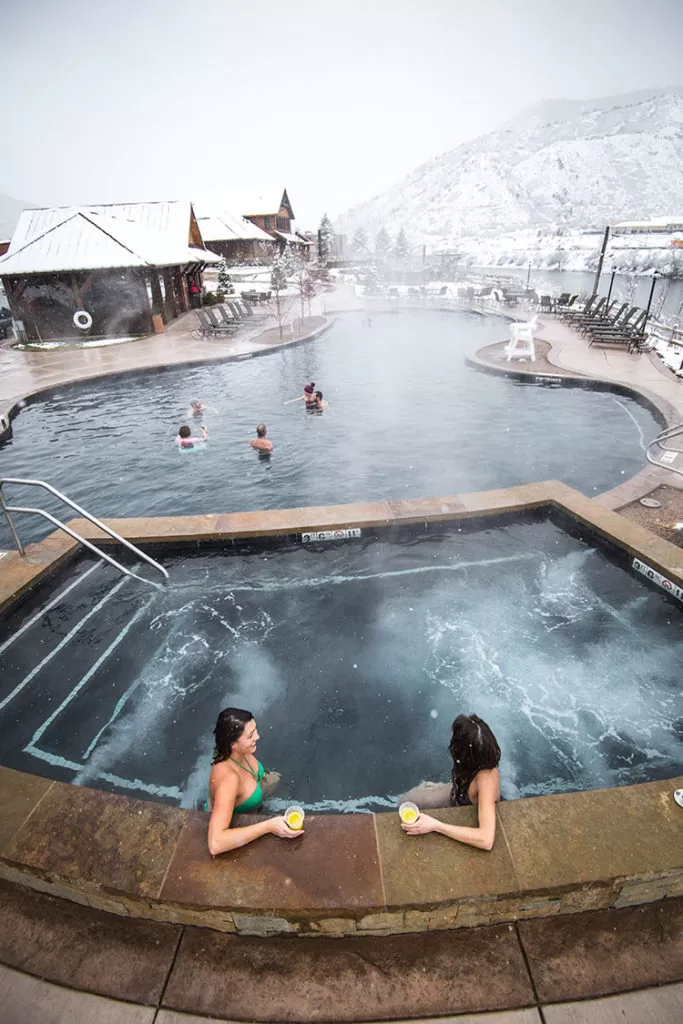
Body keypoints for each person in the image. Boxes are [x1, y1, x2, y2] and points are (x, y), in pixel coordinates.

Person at [208, 707, 302, 854]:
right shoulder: (229, 780)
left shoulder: (235, 752)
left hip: (256, 787)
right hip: (243, 814)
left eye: (255, 730)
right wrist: (269, 826)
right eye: (251, 735)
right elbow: (215, 844)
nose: (257, 737)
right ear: (233, 745)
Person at [400, 714, 501, 851]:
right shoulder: (478, 758)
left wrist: (435, 825)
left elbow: (486, 840)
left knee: (407, 802)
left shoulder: (487, 780)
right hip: (456, 792)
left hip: (459, 803)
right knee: (408, 799)